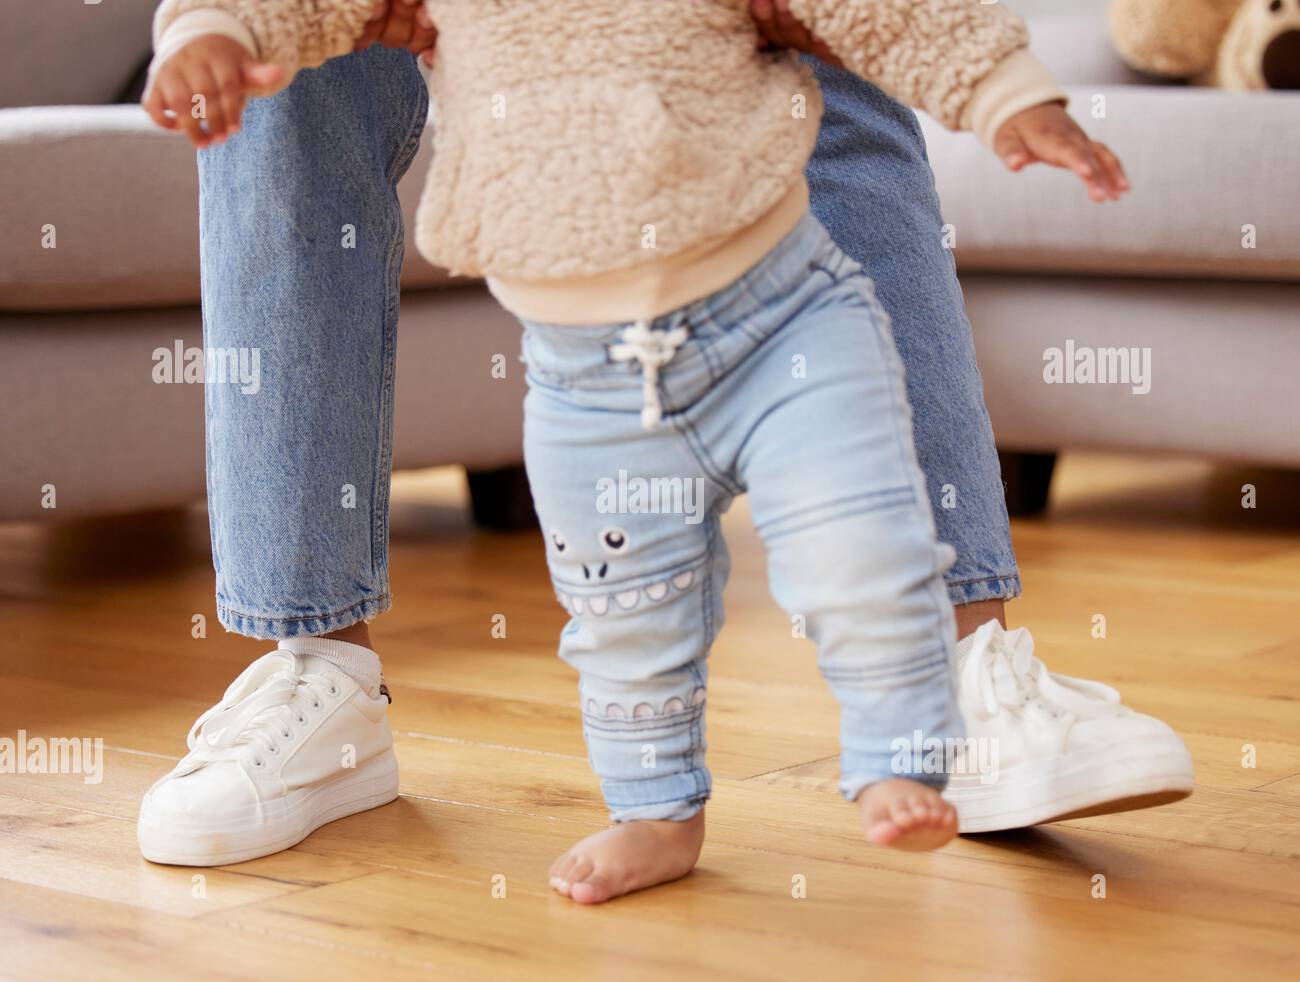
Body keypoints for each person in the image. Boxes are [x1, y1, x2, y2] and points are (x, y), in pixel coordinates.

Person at [136, 0, 1194, 899]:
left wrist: (1008, 89)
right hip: (585, 374)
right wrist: (211, 27)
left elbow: (884, 12)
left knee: (857, 533)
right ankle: (347, 679)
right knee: (623, 608)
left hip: (790, 308)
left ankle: (942, 693)